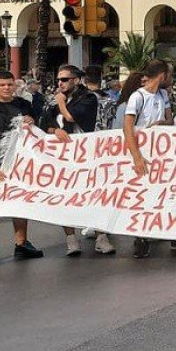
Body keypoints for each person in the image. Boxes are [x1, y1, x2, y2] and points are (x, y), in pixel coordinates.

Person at [0, 71, 48, 267]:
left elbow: (36, 131)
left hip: (19, 165)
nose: (6, 88)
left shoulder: (23, 105)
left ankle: (21, 243)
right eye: (2, 85)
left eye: (10, 84)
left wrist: (31, 122)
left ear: (14, 86)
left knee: (19, 204)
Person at [46, 64, 116, 256]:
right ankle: (71, 239)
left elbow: (70, 117)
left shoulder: (87, 99)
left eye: (64, 79)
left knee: (97, 195)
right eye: (58, 80)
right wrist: (54, 130)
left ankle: (102, 237)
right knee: (65, 198)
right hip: (63, 159)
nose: (60, 83)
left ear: (76, 80)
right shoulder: (53, 101)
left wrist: (61, 102)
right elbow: (46, 125)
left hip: (88, 156)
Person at [123, 61, 174, 258]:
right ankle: (140, 237)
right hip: (142, 151)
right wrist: (137, 157)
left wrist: (162, 123)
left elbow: (169, 119)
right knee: (141, 194)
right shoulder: (138, 97)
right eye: (168, 74)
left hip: (160, 152)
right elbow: (128, 126)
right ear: (162, 75)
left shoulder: (163, 95)